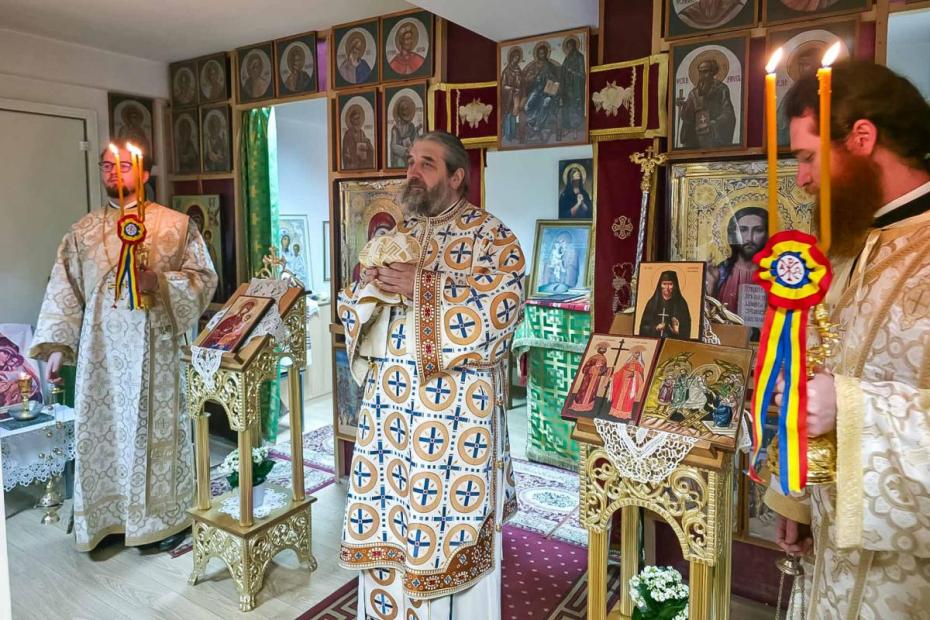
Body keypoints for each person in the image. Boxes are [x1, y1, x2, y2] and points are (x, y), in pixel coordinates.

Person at [765, 60, 930, 619]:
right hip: (829, 543)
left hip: (908, 580)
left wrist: (854, 406)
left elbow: (835, 398)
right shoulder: (845, 249)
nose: (802, 179)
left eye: (808, 157)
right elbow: (812, 370)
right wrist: (795, 495)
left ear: (862, 137)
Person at [337, 131, 525, 619]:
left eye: (426, 163)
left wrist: (421, 287)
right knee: (389, 522)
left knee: (442, 531)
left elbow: (501, 312)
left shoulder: (493, 237)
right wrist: (369, 290)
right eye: (411, 161)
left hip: (453, 425)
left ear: (457, 176)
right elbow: (355, 309)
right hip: (390, 417)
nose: (412, 172)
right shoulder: (398, 234)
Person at [29, 145, 217, 552]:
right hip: (101, 359)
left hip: (158, 356)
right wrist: (58, 346)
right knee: (106, 433)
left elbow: (204, 278)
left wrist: (160, 283)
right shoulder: (81, 232)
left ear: (145, 173)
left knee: (154, 436)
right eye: (106, 165)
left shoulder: (176, 226)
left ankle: (161, 522)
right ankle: (107, 519)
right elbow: (64, 288)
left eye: (123, 165)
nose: (113, 172)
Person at [709, 206, 768, 313]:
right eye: (743, 230)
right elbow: (707, 314)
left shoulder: (774, 274)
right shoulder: (720, 273)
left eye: (758, 230)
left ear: (767, 234)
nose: (749, 238)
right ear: (733, 235)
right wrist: (711, 284)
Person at [678, 58, 736, 149]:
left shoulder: (721, 89)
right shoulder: (693, 93)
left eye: (705, 71)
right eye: (700, 72)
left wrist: (714, 123)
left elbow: (728, 113)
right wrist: (684, 107)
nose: (702, 75)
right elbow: (687, 119)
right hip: (696, 138)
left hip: (714, 136)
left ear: (712, 72)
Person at [523, 42, 561, 142]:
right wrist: (534, 77)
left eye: (543, 53)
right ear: (537, 54)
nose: (542, 55)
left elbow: (555, 80)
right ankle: (532, 122)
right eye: (540, 53)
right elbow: (527, 79)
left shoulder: (550, 66)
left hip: (547, 92)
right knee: (527, 106)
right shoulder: (534, 66)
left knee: (545, 103)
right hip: (536, 90)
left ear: (546, 54)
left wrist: (551, 92)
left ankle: (537, 127)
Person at [638, 270, 692, 339]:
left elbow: (687, 328)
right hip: (655, 341)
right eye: (664, 284)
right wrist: (655, 328)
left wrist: (677, 331)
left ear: (675, 285)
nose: (667, 288)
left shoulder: (681, 304)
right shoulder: (652, 303)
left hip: (673, 342)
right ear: (660, 285)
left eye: (670, 284)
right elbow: (643, 328)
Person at [571, 343, 610, 412]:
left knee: (592, 392)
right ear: (599, 349)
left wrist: (608, 369)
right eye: (602, 349)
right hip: (588, 378)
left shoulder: (604, 359)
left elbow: (603, 370)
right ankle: (579, 405)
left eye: (604, 349)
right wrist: (593, 367)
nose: (603, 350)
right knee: (583, 390)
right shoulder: (593, 357)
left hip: (596, 379)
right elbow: (585, 368)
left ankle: (588, 406)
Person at [607, 349, 646, 420]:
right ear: (632, 354)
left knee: (628, 398)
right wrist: (613, 376)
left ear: (640, 355)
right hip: (623, 384)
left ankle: (624, 414)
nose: (636, 355)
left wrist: (634, 373)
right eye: (635, 353)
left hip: (631, 385)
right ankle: (615, 412)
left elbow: (641, 377)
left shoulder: (640, 365)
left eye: (638, 354)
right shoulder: (628, 363)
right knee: (619, 396)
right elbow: (620, 372)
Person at [560, 36, 586, 138]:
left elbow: (582, 74)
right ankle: (567, 128)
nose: (569, 48)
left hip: (576, 88)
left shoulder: (580, 57)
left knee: (575, 108)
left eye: (571, 46)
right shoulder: (567, 58)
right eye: (568, 47)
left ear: (575, 46)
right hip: (567, 87)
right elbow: (563, 70)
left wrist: (572, 71)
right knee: (566, 107)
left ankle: (575, 130)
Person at [500, 47, 525, 144]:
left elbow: (522, 84)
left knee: (514, 115)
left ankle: (513, 134)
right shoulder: (506, 71)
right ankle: (508, 135)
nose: (516, 59)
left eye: (518, 58)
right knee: (508, 115)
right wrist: (513, 89)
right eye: (515, 57)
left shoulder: (519, 70)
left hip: (516, 96)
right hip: (508, 97)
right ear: (511, 58)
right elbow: (503, 86)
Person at [389, 95, 420, 168]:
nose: (405, 112)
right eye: (403, 109)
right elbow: (393, 146)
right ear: (399, 112)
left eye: (407, 109)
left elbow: (416, 140)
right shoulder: (395, 128)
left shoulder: (412, 126)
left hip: (411, 157)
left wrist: (412, 147)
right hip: (399, 159)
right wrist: (405, 150)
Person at [341, 104, 374, 170]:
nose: (358, 120)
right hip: (353, 164)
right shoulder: (348, 134)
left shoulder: (361, 132)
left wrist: (368, 144)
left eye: (359, 118)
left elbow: (367, 146)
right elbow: (346, 151)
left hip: (362, 163)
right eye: (356, 119)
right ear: (351, 120)